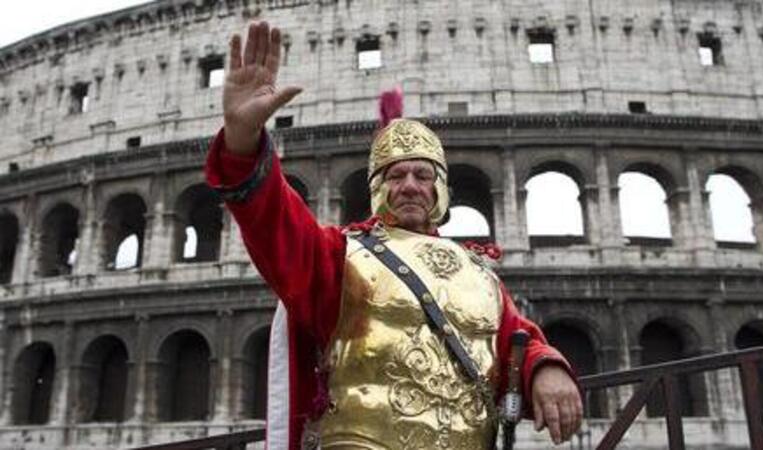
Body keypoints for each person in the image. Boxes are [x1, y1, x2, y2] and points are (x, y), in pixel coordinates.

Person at [205, 21, 583, 450]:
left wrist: (546, 367)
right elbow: (274, 220)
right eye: (394, 175)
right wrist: (242, 140)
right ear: (376, 190)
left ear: (441, 188)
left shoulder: (479, 273)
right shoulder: (341, 256)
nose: (409, 185)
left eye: (423, 175)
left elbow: (515, 341)